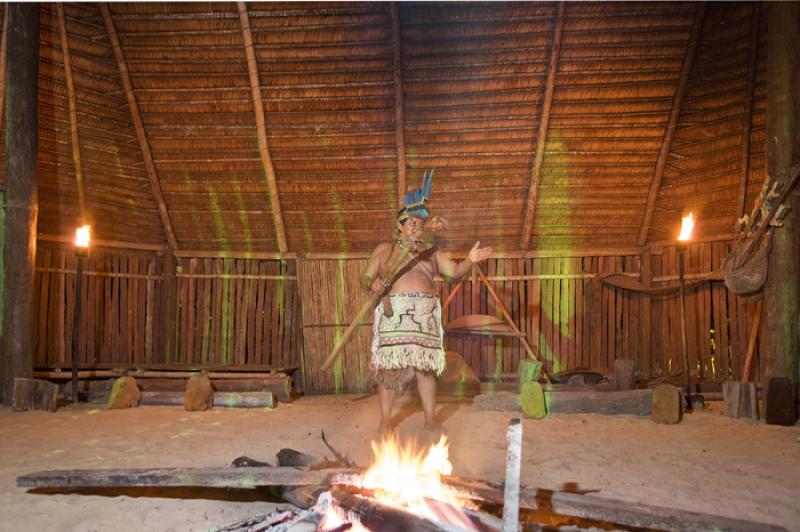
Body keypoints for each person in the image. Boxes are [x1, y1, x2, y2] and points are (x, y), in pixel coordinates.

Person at [361, 170, 492, 438]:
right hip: (393, 312)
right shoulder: (384, 250)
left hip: (424, 314)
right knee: (389, 368)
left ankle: (430, 420)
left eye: (420, 224)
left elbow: (455, 273)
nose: (415, 227)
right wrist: (371, 284)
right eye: (410, 223)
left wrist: (470, 260)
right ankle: (385, 421)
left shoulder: (433, 253)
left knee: (425, 368)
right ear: (399, 224)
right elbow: (366, 277)